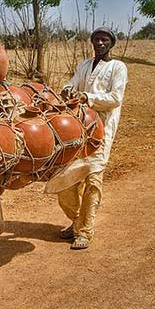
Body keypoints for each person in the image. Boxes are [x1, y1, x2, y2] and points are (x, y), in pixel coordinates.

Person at [44, 26, 128, 250]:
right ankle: (76, 221)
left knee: (93, 181)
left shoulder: (117, 67)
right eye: (96, 39)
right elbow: (71, 83)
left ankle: (85, 231)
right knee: (66, 181)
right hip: (77, 131)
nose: (100, 43)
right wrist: (68, 90)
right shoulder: (84, 65)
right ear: (92, 43)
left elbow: (115, 98)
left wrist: (87, 97)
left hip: (101, 131)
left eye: (104, 40)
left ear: (111, 43)